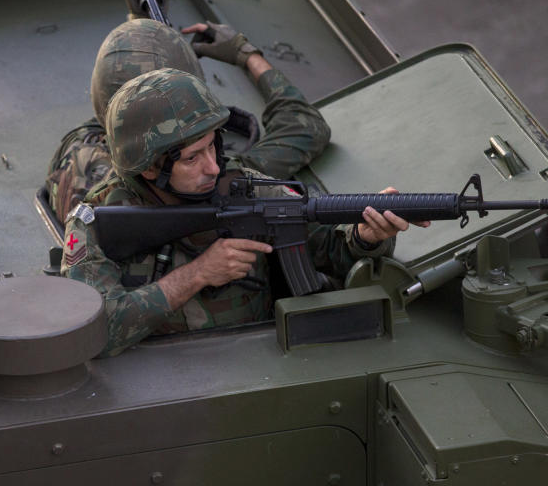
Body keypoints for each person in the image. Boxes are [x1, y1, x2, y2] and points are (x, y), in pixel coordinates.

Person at [61, 68, 427, 357]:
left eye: (213, 147)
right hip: (159, 387)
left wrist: (365, 239)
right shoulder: (95, 220)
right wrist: (198, 273)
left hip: (261, 363)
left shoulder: (247, 186)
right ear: (150, 169)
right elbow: (93, 334)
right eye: (192, 158)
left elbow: (335, 257)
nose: (213, 168)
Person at [44, 16, 330, 225]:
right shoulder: (207, 181)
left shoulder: (77, 156)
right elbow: (304, 125)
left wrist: (143, 23)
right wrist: (244, 53)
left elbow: (111, 117)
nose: (212, 166)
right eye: (192, 156)